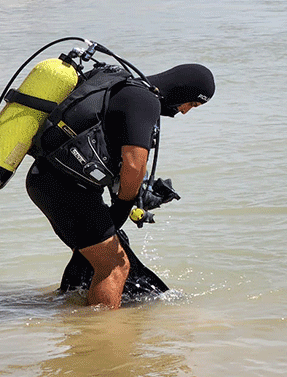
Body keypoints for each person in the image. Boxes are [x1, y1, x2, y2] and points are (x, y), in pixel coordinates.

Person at [25, 63, 215, 309]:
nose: (186, 111)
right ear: (182, 91)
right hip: (67, 190)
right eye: (191, 104)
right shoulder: (145, 100)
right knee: (114, 266)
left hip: (50, 181)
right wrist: (126, 203)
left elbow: (113, 155)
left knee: (97, 259)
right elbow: (134, 164)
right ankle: (103, 338)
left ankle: (80, 326)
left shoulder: (125, 88)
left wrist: (139, 192)